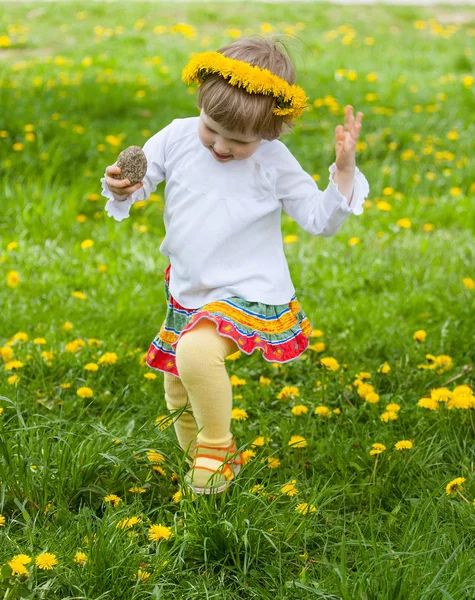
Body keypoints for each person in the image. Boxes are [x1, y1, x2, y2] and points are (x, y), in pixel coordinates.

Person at [100, 36, 369, 496]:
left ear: (271, 132)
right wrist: (125, 188)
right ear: (200, 103)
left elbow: (318, 220)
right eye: (212, 129)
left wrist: (343, 174)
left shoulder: (273, 161)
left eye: (238, 140)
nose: (221, 148)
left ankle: (215, 450)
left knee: (197, 355)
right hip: (189, 288)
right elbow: (143, 182)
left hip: (248, 289)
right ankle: (205, 474)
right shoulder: (179, 136)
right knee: (180, 387)